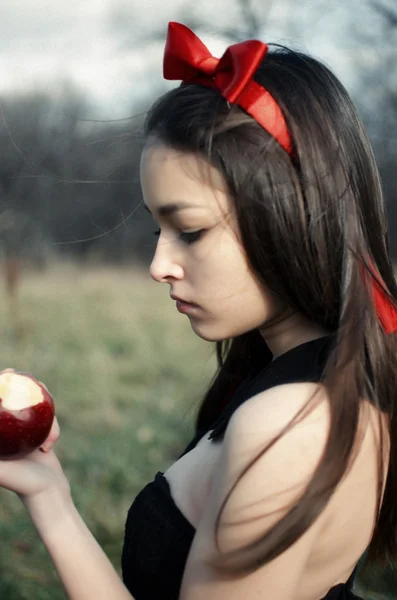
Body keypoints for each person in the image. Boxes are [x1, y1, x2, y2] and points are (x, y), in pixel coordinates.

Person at [1, 21, 397, 600]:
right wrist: (49, 497)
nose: (159, 265)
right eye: (157, 226)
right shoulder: (308, 378)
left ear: (289, 215)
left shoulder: (289, 428)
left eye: (189, 229)